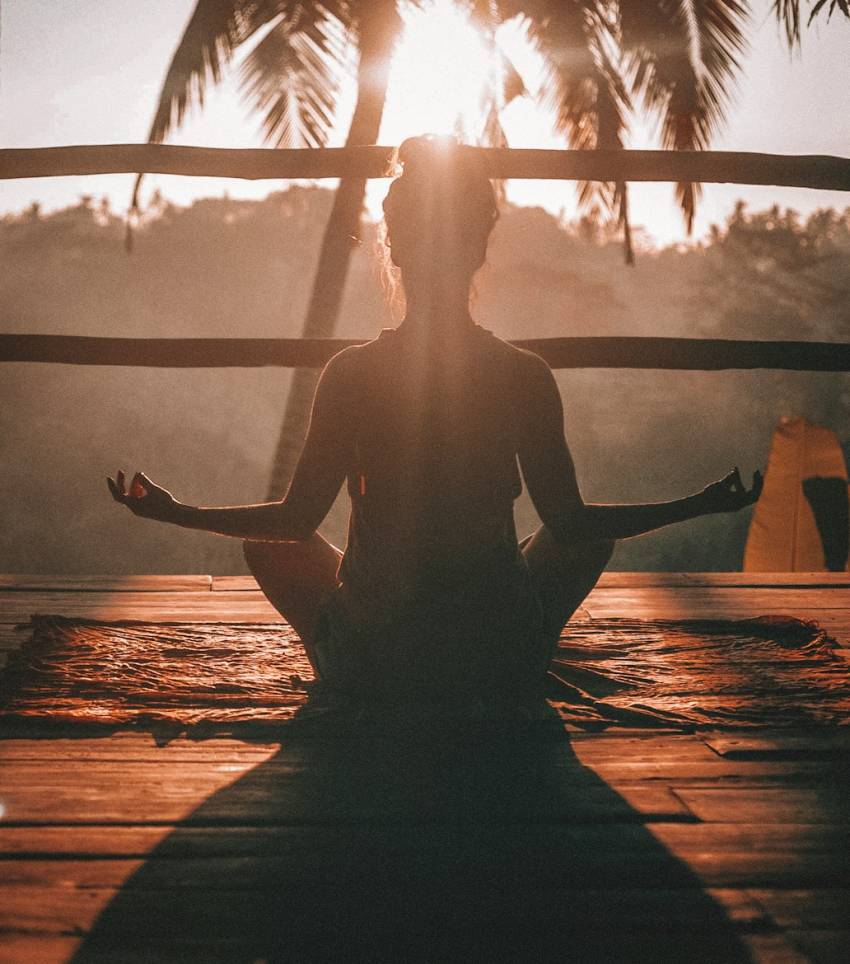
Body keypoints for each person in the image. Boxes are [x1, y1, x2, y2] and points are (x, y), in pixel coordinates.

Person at [108, 135, 762, 704]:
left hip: (377, 662)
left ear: (395, 248)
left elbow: (295, 521)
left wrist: (177, 512)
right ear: (479, 249)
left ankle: (343, 665)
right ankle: (521, 650)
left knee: (268, 545)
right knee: (585, 537)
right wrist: (698, 504)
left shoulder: (352, 373)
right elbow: (571, 524)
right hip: (496, 659)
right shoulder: (522, 374)